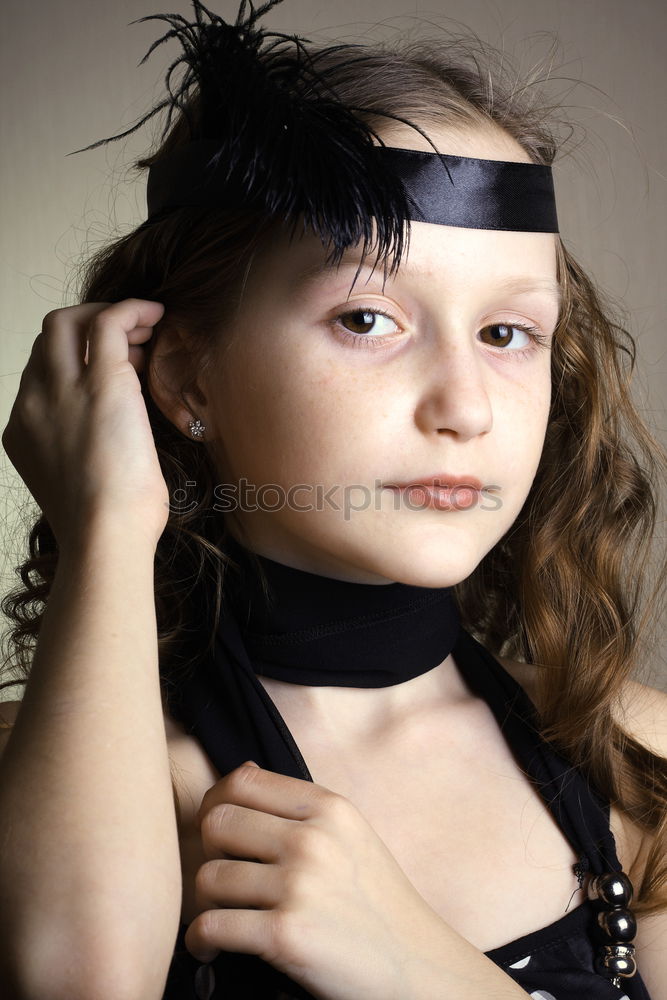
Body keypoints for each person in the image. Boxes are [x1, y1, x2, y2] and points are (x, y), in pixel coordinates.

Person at [0, 1, 665, 998]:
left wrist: (424, 968)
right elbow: (75, 978)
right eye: (366, 317)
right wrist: (107, 528)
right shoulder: (62, 772)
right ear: (186, 378)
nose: (465, 407)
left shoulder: (634, 757)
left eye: (505, 334)